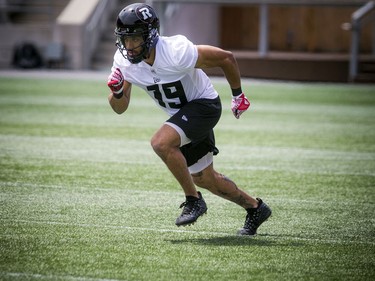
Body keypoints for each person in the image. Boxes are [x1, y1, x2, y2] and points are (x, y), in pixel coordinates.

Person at [107, 3, 271, 236]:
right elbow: (120, 109)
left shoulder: (175, 52)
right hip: (182, 117)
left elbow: (226, 58)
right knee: (206, 178)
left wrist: (238, 95)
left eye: (135, 38)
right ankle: (255, 208)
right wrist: (116, 92)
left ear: (151, 35)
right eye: (125, 40)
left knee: (161, 142)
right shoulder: (124, 61)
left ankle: (193, 200)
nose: (129, 47)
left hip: (204, 106)